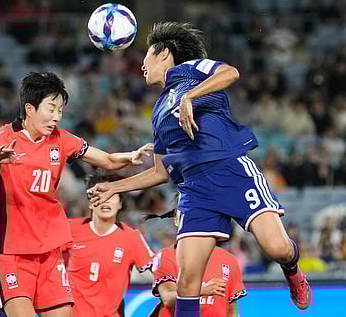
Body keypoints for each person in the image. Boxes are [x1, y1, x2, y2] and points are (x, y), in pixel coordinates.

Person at [87, 22, 311, 317]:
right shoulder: (157, 113)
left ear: (165, 53)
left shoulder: (191, 70)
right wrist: (114, 186)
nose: (141, 66)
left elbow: (230, 73)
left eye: (146, 58)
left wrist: (190, 97)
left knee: (277, 248)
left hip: (230, 170)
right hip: (194, 190)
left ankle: (293, 270)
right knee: (187, 283)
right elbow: (160, 172)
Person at [0, 72, 153, 317]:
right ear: (30, 109)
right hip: (11, 255)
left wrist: (129, 156)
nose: (56, 117)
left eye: (60, 111)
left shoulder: (61, 139)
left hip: (50, 252)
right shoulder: (5, 138)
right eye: (51, 109)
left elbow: (106, 159)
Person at [67, 171, 154, 317]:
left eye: (111, 195)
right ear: (90, 202)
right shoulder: (69, 230)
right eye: (99, 194)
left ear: (120, 203)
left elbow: (158, 269)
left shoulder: (131, 237)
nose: (105, 200)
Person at [144, 211, 246, 317]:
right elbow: (168, 298)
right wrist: (200, 290)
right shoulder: (165, 255)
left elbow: (231, 311)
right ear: (177, 221)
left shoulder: (229, 259)